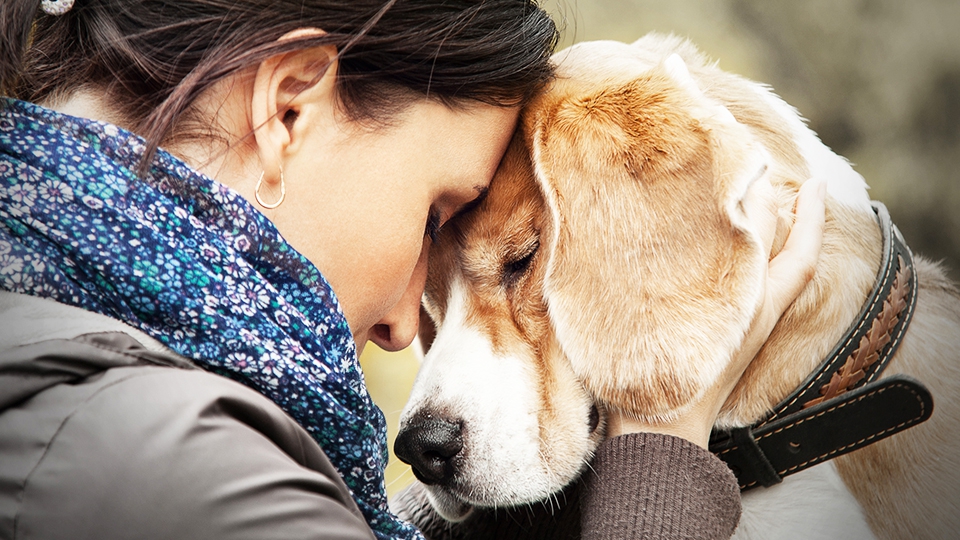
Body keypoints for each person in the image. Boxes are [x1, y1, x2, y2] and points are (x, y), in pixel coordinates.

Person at [0, 1, 825, 539]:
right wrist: (662, 451)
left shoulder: (57, 352)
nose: (404, 331)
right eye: (434, 215)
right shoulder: (174, 464)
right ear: (287, 109)